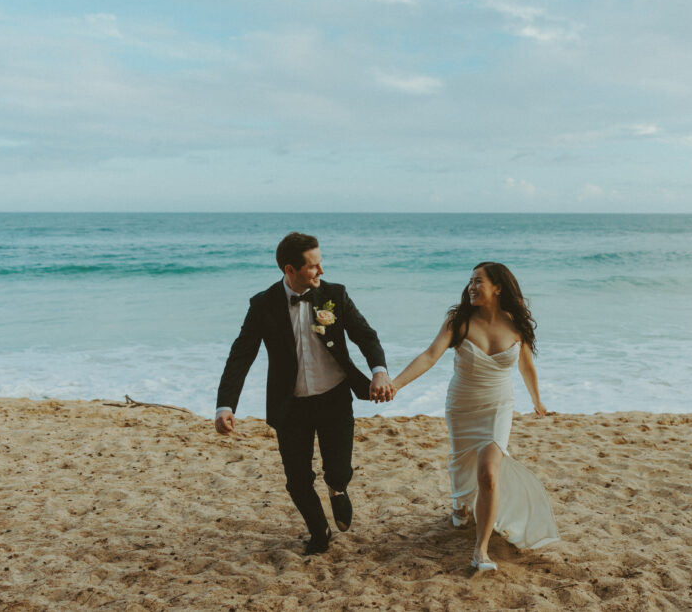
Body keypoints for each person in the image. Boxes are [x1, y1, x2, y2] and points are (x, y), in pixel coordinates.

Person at [214, 232, 394, 555]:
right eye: (313, 266)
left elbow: (365, 336)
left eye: (320, 263)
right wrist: (225, 405)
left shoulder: (334, 296)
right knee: (297, 480)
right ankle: (319, 531)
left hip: (335, 397)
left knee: (338, 470)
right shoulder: (263, 305)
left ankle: (338, 490)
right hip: (290, 405)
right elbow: (241, 355)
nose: (321, 271)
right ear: (289, 270)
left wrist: (379, 370)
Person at [391, 262, 559, 572]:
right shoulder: (459, 321)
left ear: (498, 287)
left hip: (498, 406)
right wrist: (396, 384)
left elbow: (526, 367)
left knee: (488, 471)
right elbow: (429, 356)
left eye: (478, 281)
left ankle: (480, 551)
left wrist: (538, 402)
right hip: (462, 405)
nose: (471, 286)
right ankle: (460, 504)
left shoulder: (516, 325)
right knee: (461, 461)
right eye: (469, 281)